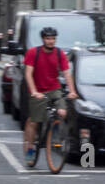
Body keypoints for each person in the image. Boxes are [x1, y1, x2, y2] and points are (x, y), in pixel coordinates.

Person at [22, 27, 78, 167]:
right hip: (38, 90)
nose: (51, 41)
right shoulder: (33, 52)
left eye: (53, 38)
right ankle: (30, 147)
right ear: (43, 39)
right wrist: (34, 91)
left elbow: (66, 73)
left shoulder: (59, 54)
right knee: (34, 122)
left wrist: (72, 90)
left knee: (62, 112)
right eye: (48, 38)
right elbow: (28, 74)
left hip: (54, 89)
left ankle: (53, 133)